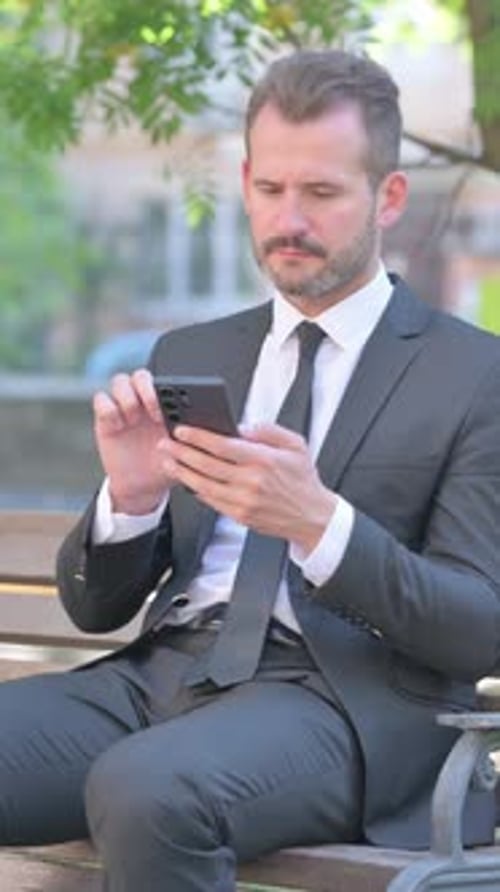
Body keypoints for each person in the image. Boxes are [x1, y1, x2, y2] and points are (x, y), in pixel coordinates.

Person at [1, 48, 500, 892]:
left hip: (344, 707)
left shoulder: (474, 373)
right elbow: (95, 608)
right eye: (270, 189)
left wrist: (318, 524)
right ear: (243, 182)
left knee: (149, 790)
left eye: (322, 193)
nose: (288, 219)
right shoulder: (193, 353)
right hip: (164, 676)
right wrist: (132, 499)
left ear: (388, 197)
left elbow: (479, 627)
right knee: (141, 774)